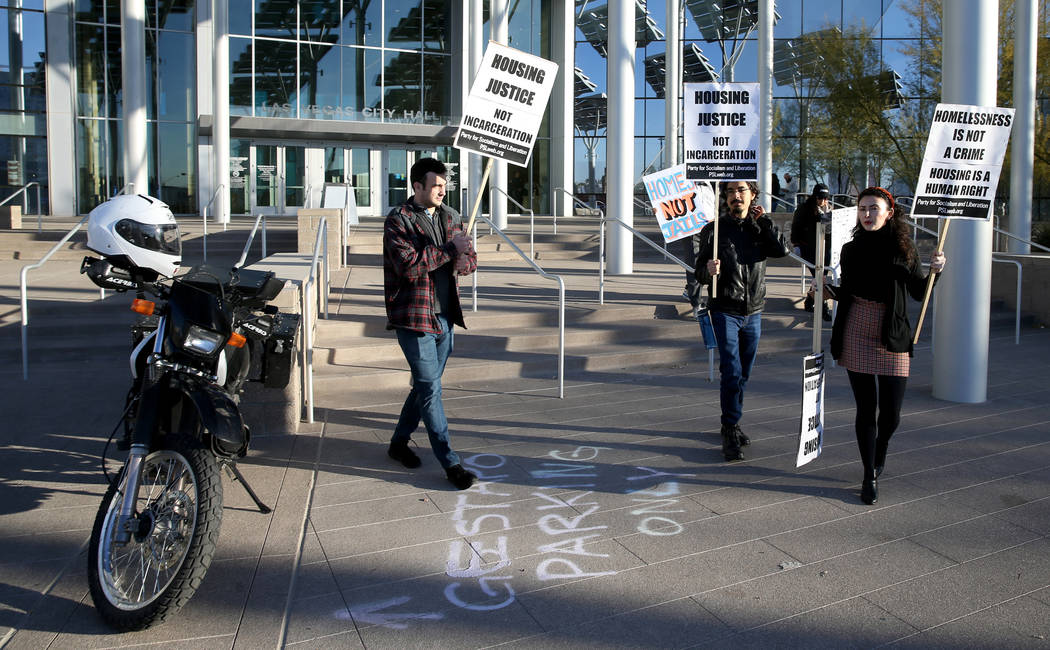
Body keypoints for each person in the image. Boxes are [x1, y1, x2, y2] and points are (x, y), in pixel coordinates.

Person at [823, 186, 946, 505]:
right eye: (862, 209)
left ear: (889, 213)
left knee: (891, 414)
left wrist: (936, 272)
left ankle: (882, 449)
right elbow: (848, 291)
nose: (867, 214)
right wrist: (827, 291)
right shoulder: (850, 250)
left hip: (892, 332)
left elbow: (920, 292)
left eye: (873, 208)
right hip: (856, 328)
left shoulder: (903, 249)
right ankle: (869, 474)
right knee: (866, 409)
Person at [383, 157, 479, 490]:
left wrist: (465, 258)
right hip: (414, 316)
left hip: (445, 315)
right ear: (417, 186)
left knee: (426, 387)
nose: (442, 190)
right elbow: (408, 265)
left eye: (444, 184)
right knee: (430, 390)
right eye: (435, 185)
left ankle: (398, 443)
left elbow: (468, 260)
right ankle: (451, 463)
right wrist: (450, 249)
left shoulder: (451, 217)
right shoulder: (400, 220)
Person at [695, 180, 790, 461]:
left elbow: (782, 251)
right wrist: (707, 269)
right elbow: (699, 271)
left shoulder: (760, 227)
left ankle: (733, 419)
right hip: (725, 309)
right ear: (724, 197)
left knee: (744, 373)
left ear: (752, 195)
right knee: (732, 371)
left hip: (755, 311)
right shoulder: (713, 230)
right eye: (731, 192)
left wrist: (765, 221)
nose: (736, 196)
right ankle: (730, 426)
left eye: (742, 191)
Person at [791, 183, 834, 321]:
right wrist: (796, 244)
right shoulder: (804, 209)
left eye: (825, 198)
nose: (823, 201)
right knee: (819, 277)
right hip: (808, 247)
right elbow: (795, 227)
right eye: (820, 198)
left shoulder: (829, 209)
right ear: (814, 196)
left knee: (820, 278)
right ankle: (823, 308)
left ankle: (810, 300)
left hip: (825, 248)